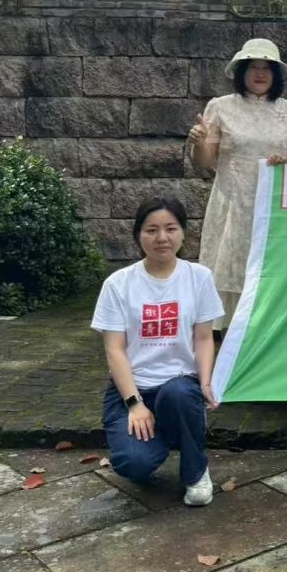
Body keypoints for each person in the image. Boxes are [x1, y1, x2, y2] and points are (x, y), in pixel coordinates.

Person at [91, 196, 225, 507]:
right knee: (133, 464)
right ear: (138, 235)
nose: (162, 237)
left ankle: (196, 472)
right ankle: (168, 430)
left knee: (180, 394)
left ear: (183, 233)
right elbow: (114, 350)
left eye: (170, 228)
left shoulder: (199, 277)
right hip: (133, 389)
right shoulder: (118, 284)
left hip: (179, 384)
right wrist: (135, 404)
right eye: (151, 230)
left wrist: (206, 381)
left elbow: (204, 337)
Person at [187, 39, 287, 328]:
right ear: (242, 72)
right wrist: (198, 142)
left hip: (274, 204)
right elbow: (205, 161)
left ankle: (267, 327)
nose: (260, 73)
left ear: (276, 75)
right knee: (228, 262)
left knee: (271, 265)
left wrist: (286, 163)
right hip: (232, 200)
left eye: (267, 68)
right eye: (254, 67)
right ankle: (223, 332)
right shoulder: (220, 107)